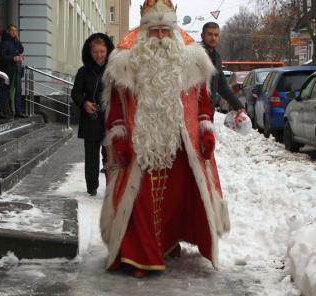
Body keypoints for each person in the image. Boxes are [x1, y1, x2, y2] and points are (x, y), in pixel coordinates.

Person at [100, 0, 230, 278]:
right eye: (154, 30)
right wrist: (119, 133)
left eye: (164, 30)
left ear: (172, 30)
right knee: (139, 201)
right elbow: (114, 105)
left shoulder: (191, 59)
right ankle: (139, 256)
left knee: (174, 201)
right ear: (144, 30)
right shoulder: (126, 59)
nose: (159, 37)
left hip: (180, 146)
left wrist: (206, 127)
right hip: (140, 145)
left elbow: (203, 100)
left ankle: (165, 242)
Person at [71, 33, 114, 196]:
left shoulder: (113, 71)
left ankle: (111, 187)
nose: (99, 55)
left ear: (108, 51)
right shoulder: (83, 72)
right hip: (91, 118)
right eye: (95, 52)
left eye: (102, 51)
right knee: (91, 156)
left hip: (110, 118)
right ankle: (92, 187)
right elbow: (75, 93)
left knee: (109, 156)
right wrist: (84, 103)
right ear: (90, 52)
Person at [201, 22, 245, 113]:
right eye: (209, 34)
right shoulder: (195, 54)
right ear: (202, 36)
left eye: (216, 35)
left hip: (209, 111)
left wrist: (238, 106)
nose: (213, 38)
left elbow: (222, 86)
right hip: (194, 112)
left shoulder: (216, 57)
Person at [0, 24, 26, 119]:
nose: (14, 32)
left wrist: (17, 39)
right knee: (5, 91)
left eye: (15, 31)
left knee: (18, 91)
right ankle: (2, 111)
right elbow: (2, 57)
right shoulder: (5, 42)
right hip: (7, 70)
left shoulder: (16, 42)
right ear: (8, 31)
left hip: (16, 70)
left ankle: (18, 111)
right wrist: (13, 58)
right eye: (12, 30)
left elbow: (21, 49)